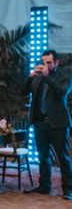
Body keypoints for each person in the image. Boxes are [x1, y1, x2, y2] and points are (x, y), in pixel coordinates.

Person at [22, 50, 72, 200]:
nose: (45, 65)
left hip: (58, 123)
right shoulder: (37, 77)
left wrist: (47, 76)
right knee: (43, 157)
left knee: (62, 157)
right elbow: (23, 91)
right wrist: (30, 77)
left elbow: (62, 92)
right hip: (40, 123)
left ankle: (68, 189)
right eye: (43, 62)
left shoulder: (65, 76)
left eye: (48, 62)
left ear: (56, 62)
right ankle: (44, 186)